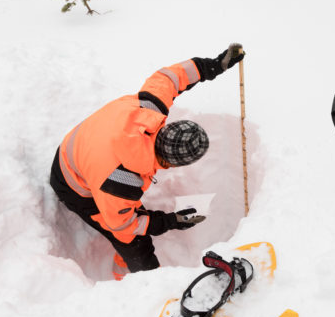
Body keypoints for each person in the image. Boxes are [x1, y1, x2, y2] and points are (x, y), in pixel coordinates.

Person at [50, 43, 244, 280]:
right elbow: (123, 226)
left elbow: (169, 78)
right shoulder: (122, 179)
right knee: (136, 246)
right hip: (74, 183)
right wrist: (171, 221)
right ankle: (131, 284)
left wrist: (214, 65)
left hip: (79, 148)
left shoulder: (149, 109)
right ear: (173, 162)